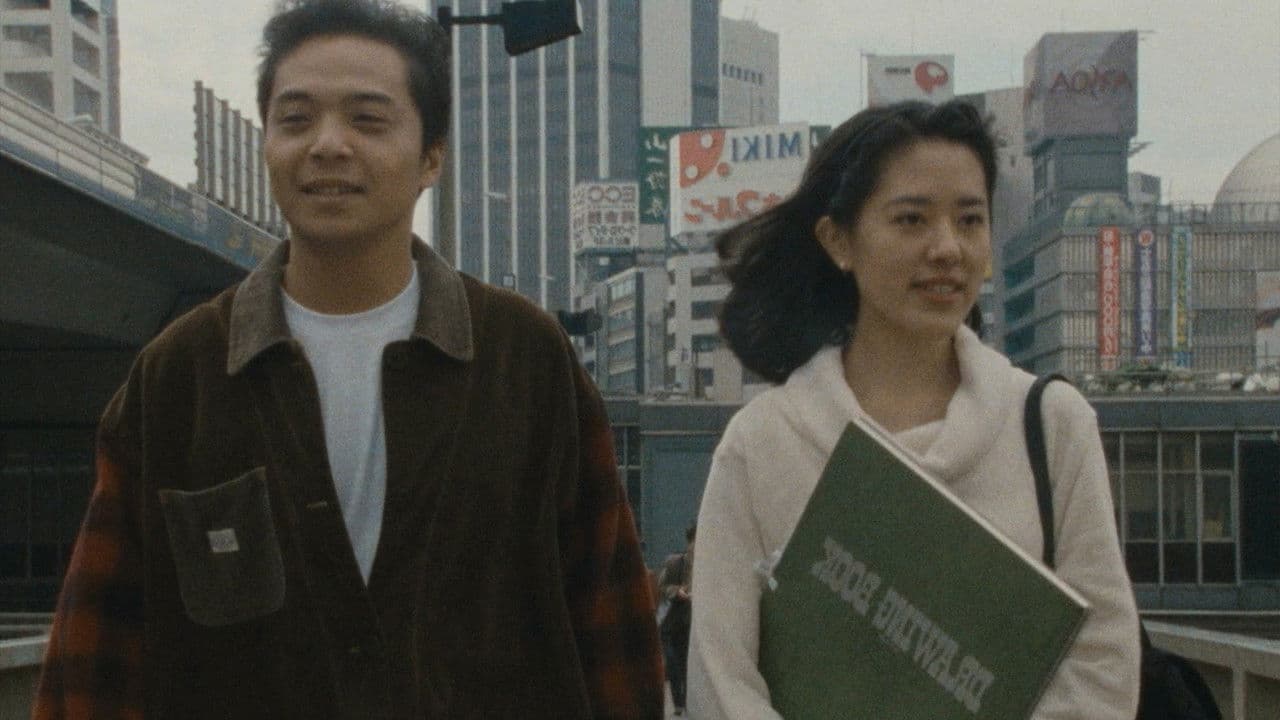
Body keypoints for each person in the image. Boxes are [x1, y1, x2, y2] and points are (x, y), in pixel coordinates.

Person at [31, 1, 663, 718]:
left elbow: (611, 622)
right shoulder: (181, 376)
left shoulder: (525, 361)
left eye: (368, 119)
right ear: (267, 144)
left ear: (432, 156)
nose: (328, 145)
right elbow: (96, 653)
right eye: (296, 119)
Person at [686, 100, 1140, 719]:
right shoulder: (762, 443)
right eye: (911, 220)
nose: (948, 248)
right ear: (838, 241)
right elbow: (721, 680)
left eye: (970, 219)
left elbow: (1104, 663)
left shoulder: (1051, 423)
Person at [657, 525, 696, 715]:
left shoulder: (706, 568)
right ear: (689, 543)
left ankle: (686, 703)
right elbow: (662, 586)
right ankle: (679, 703)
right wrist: (676, 591)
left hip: (688, 623)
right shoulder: (673, 563)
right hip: (670, 623)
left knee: (686, 664)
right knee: (673, 664)